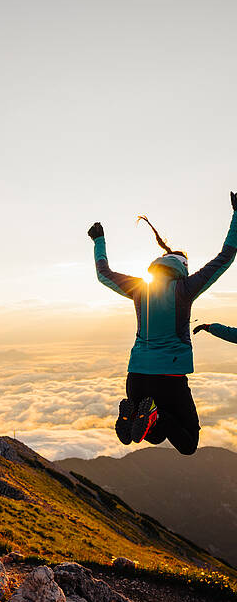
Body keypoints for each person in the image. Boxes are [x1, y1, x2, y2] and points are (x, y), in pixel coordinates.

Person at [88, 192, 237, 455]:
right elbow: (225, 256)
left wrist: (99, 240)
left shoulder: (138, 288)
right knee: (188, 442)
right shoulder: (185, 288)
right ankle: (156, 416)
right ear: (182, 268)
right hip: (169, 378)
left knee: (150, 436)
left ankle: (137, 416)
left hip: (135, 377)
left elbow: (104, 275)